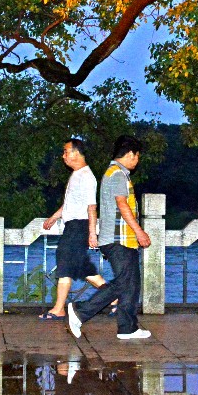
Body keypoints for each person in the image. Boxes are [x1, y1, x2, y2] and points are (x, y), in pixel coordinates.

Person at [68, 135, 152, 340]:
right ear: (130, 154)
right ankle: (80, 312)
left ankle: (127, 328)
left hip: (123, 239)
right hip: (117, 239)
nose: (137, 161)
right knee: (124, 283)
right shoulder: (116, 174)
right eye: (137, 156)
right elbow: (122, 206)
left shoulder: (119, 174)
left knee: (131, 284)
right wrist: (139, 231)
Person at [41, 138, 109, 320]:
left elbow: (91, 207)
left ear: (76, 153)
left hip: (79, 226)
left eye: (65, 151)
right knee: (80, 267)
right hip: (72, 225)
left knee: (66, 262)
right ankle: (114, 298)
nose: (63, 156)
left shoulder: (87, 176)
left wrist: (92, 233)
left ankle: (59, 308)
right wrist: (54, 217)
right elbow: (69, 204)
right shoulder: (76, 175)